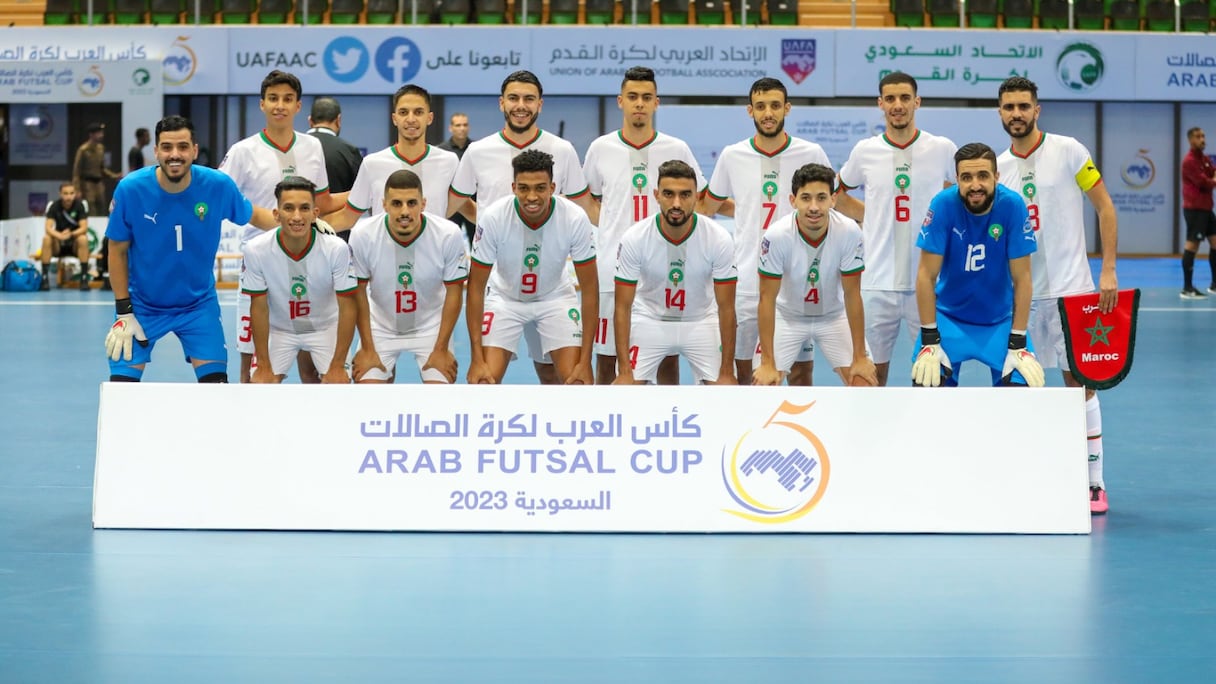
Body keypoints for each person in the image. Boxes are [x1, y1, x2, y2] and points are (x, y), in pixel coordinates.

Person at [996, 76, 1119, 515]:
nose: (1016, 114)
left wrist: (1108, 269)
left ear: (1037, 109)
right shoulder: (997, 168)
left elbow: (1105, 207)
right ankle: (1033, 477)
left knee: (1079, 387)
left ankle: (1094, 482)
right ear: (1000, 113)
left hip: (1072, 292)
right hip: (1022, 299)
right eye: (1009, 107)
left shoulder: (1070, 151)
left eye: (1023, 106)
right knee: (1021, 388)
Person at [102, 115, 275, 383]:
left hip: (198, 306)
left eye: (182, 147)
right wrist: (124, 311)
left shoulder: (217, 185)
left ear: (194, 150)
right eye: (167, 147)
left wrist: (304, 225)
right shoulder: (130, 189)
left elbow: (255, 215)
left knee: (216, 387)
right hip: (141, 306)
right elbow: (116, 250)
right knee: (121, 389)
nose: (175, 154)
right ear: (156, 151)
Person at [449, 70, 595, 385]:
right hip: (502, 288)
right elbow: (452, 204)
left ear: (540, 104)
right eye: (513, 98)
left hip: (553, 289)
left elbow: (585, 209)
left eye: (529, 99)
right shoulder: (478, 152)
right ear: (501, 103)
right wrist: (487, 223)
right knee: (485, 380)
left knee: (558, 376)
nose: (521, 105)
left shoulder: (563, 150)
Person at [701, 77, 832, 385]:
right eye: (760, 106)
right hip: (747, 280)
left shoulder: (811, 152)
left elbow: (831, 203)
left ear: (787, 108)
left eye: (775, 105)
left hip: (797, 282)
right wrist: (745, 209)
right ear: (750, 111)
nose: (768, 113)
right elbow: (708, 206)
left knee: (801, 373)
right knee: (744, 371)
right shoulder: (732, 155)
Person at [583, 66, 707, 385]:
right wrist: (611, 227)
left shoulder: (676, 148)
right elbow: (588, 201)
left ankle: (668, 415)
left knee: (666, 356)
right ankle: (608, 416)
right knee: (607, 358)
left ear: (656, 103)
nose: (639, 103)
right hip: (613, 267)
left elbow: (698, 201)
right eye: (633, 97)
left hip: (663, 268)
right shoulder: (600, 148)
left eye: (647, 97)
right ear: (620, 101)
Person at [835, 72, 958, 386]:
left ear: (917, 102)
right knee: (868, 378)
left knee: (934, 376)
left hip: (929, 282)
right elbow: (836, 194)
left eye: (905, 98)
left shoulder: (942, 148)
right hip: (877, 282)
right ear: (880, 104)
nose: (898, 105)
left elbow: (968, 194)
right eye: (890, 99)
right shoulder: (865, 151)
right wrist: (873, 215)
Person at [219, 69, 339, 384]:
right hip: (261, 263)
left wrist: (367, 192)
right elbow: (221, 197)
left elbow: (323, 202)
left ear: (298, 106)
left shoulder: (312, 147)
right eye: (273, 98)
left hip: (307, 261)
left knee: (311, 367)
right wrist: (261, 217)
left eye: (287, 99)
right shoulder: (243, 151)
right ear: (262, 104)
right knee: (253, 368)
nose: (280, 105)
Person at [912, 142, 1044, 391]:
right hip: (949, 319)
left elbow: (1023, 279)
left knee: (1023, 393)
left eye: (983, 176)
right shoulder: (942, 204)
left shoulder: (1013, 205)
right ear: (957, 180)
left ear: (996, 176)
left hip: (1000, 321)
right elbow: (925, 276)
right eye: (966, 177)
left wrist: (1018, 340)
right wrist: (929, 337)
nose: (975, 185)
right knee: (927, 389)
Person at [465, 150, 597, 385]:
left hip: (554, 297)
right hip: (505, 298)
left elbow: (590, 290)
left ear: (552, 187)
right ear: (513, 187)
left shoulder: (574, 218)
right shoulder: (494, 217)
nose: (532, 196)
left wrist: (585, 361)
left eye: (540, 188)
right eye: (524, 188)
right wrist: (476, 358)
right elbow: (475, 288)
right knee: (484, 382)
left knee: (575, 382)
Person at [613, 160, 737, 386]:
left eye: (685, 195)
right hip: (650, 318)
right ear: (656, 195)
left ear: (696, 197)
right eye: (669, 194)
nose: (677, 203)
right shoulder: (635, 237)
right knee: (625, 389)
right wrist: (623, 371)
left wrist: (727, 371)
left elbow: (727, 308)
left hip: (701, 320)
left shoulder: (718, 238)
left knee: (725, 389)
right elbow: (622, 307)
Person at [753, 164, 876, 387]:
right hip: (787, 317)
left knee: (864, 383)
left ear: (833, 199)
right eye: (805, 198)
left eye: (821, 198)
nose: (814, 207)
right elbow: (766, 299)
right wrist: (767, 362)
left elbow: (852, 295)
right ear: (793, 201)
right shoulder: (776, 236)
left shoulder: (849, 232)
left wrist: (859, 357)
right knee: (764, 385)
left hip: (834, 316)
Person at [349, 170, 469, 384]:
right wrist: (367, 347)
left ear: (423, 204)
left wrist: (441, 349)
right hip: (380, 326)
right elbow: (358, 292)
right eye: (396, 203)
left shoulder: (448, 234)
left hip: (431, 326)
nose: (404, 211)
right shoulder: (363, 234)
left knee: (440, 395)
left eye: (412, 203)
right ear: (384, 205)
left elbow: (454, 292)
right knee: (367, 394)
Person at [244, 177, 358, 385]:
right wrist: (263, 365)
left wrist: (338, 364)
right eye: (289, 208)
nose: (297, 216)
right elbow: (258, 308)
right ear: (276, 214)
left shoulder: (336, 249)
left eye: (304, 208)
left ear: (315, 214)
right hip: (279, 330)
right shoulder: (256, 250)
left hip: (325, 328)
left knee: (338, 385)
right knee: (261, 385)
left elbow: (348, 307)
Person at [329, 85, 459, 234]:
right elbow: (347, 217)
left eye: (418, 112)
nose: (411, 119)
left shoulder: (449, 162)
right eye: (403, 112)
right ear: (394, 118)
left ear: (429, 118)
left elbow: (465, 206)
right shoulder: (372, 164)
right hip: (383, 248)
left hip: (434, 248)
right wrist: (310, 229)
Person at [307, 96, 364, 213]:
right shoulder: (349, 151)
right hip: (338, 223)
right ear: (338, 120)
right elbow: (362, 195)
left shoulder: (295, 148)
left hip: (297, 222)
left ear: (310, 121)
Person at [1180, 126, 1216, 298]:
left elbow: (1212, 173)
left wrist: (1212, 178)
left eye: (1203, 136)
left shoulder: (1205, 159)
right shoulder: (1189, 161)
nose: (1202, 139)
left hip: (1207, 209)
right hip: (1195, 209)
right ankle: (1187, 288)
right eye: (1198, 136)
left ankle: (1214, 285)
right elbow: (1204, 183)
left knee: (1215, 242)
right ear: (1190, 140)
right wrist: (1213, 180)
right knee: (1192, 245)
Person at [39, 182, 92, 291]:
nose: (69, 196)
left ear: (75, 194)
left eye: (71, 193)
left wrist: (71, 234)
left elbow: (84, 227)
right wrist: (59, 235)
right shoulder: (54, 206)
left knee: (83, 239)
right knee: (46, 239)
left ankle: (84, 278)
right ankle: (44, 278)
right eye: (66, 193)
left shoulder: (79, 206)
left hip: (74, 244)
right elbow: (48, 227)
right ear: (60, 194)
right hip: (58, 244)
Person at [437, 112, 475, 244]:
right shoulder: (441, 151)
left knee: (478, 243)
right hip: (451, 205)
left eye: (465, 125)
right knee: (449, 242)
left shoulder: (476, 149)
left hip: (474, 203)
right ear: (450, 128)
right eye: (458, 125)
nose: (462, 128)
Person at [73, 122, 121, 217]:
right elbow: (76, 171)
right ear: (91, 134)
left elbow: (102, 168)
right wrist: (77, 189)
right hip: (87, 183)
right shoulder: (83, 149)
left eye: (101, 133)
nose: (101, 135)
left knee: (102, 206)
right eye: (98, 133)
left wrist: (114, 176)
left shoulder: (100, 148)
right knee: (91, 208)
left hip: (99, 183)